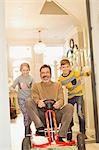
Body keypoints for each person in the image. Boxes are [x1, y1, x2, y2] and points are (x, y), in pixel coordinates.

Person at [25, 64, 74, 142]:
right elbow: (35, 97)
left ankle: (61, 135)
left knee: (69, 106)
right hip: (42, 115)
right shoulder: (36, 86)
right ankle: (40, 128)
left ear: (50, 74)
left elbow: (61, 99)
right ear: (40, 74)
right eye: (43, 73)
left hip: (55, 114)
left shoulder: (57, 85)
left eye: (47, 72)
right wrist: (38, 102)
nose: (45, 75)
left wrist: (59, 103)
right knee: (28, 101)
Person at [58, 58, 90, 139]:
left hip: (79, 95)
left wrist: (89, 72)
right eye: (63, 67)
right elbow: (57, 87)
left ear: (70, 67)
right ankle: (69, 132)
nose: (65, 69)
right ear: (61, 68)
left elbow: (84, 73)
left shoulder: (75, 73)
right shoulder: (61, 79)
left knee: (80, 113)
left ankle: (83, 132)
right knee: (69, 115)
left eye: (67, 67)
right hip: (70, 97)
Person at [10, 63, 34, 136]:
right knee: (26, 114)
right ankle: (26, 129)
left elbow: (34, 88)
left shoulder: (31, 78)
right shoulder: (18, 78)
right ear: (21, 70)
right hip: (21, 99)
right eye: (24, 70)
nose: (25, 72)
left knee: (29, 115)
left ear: (29, 70)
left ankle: (28, 127)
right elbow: (12, 86)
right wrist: (12, 89)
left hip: (29, 100)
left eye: (27, 70)